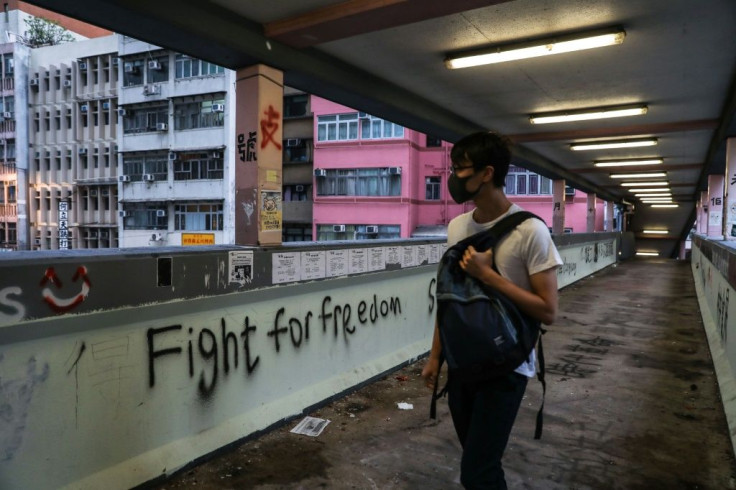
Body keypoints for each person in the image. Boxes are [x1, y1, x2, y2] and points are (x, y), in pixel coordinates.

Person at [421, 131, 562, 489]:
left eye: (460, 169)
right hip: (463, 363)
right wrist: (436, 356)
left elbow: (548, 311)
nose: (452, 177)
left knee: (478, 471)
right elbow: (450, 299)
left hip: (507, 367)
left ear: (486, 173)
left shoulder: (531, 232)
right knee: (478, 461)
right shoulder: (457, 227)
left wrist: (488, 275)